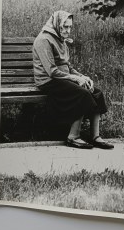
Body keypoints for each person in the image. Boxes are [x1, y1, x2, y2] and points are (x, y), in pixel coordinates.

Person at [32, 10, 114, 150]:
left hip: (62, 78)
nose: (68, 30)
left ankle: (95, 137)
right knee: (82, 94)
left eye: (70, 27)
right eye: (65, 27)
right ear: (57, 24)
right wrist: (75, 79)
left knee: (96, 92)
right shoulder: (43, 40)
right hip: (48, 81)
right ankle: (73, 137)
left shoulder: (59, 38)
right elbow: (51, 71)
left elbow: (67, 67)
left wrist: (82, 77)